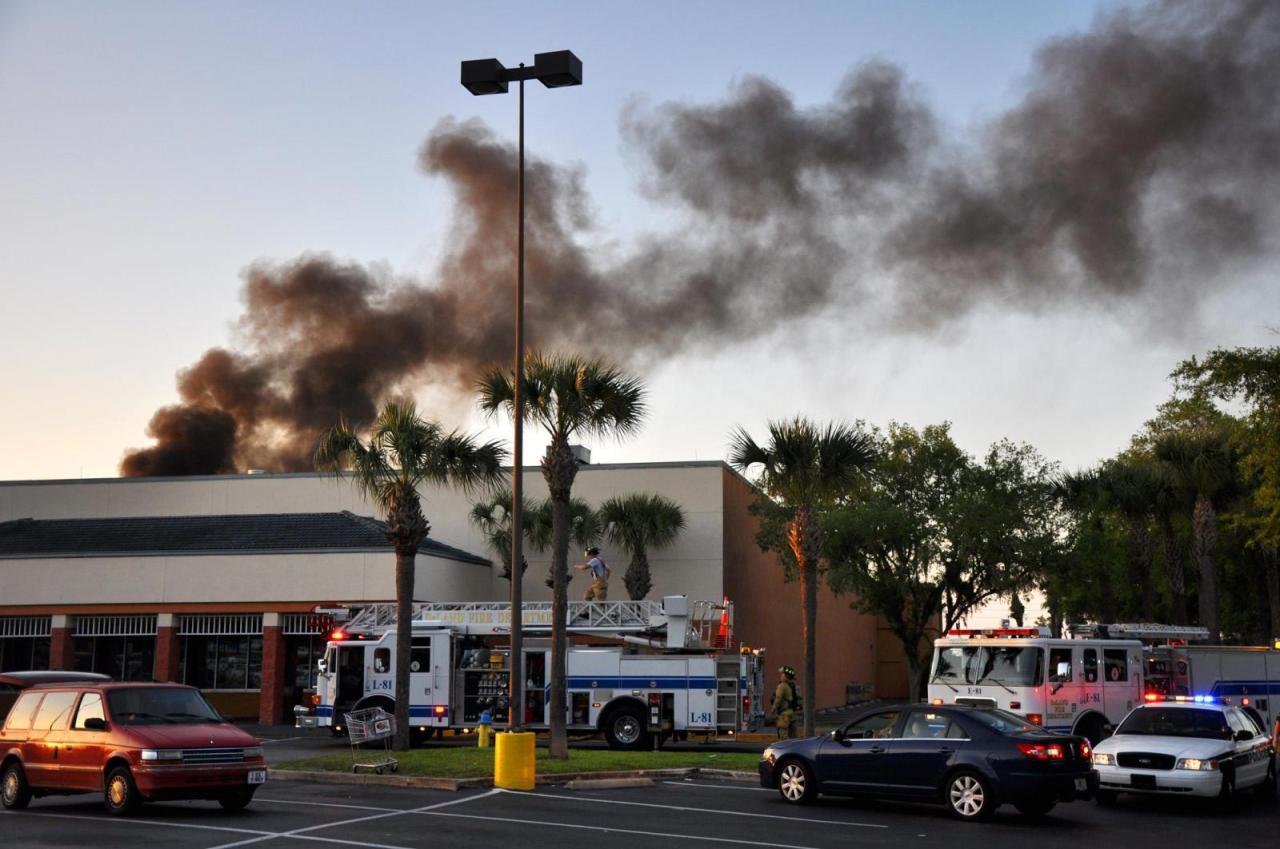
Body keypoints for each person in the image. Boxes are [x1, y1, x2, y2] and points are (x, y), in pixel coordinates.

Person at [773, 665, 799, 738]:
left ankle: (784, 749)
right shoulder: (795, 686)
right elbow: (799, 700)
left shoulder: (782, 686)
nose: (781, 676)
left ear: (786, 676)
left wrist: (774, 708)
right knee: (793, 736)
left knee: (783, 735)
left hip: (784, 715)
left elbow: (778, 698)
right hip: (792, 714)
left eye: (782, 674)